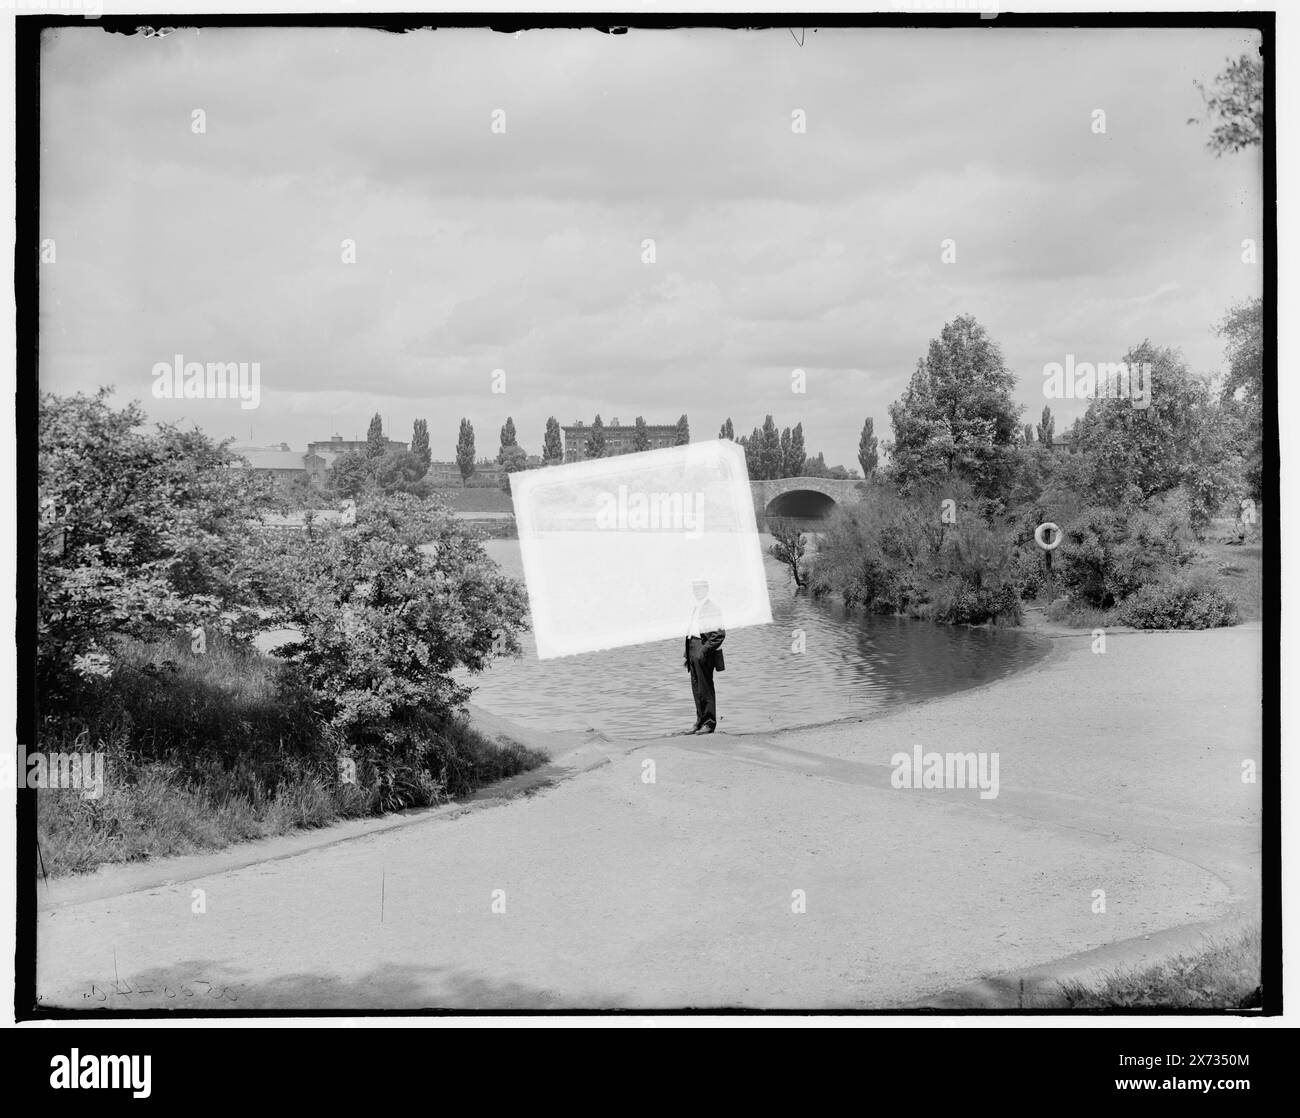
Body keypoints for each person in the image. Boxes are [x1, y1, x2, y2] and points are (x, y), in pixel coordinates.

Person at [683, 579, 726, 734]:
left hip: (703, 650)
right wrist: (688, 654)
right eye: (695, 589)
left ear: (706, 590)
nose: (697, 592)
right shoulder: (696, 608)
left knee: (706, 687)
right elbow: (692, 631)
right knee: (696, 688)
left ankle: (709, 723)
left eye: (700, 589)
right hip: (693, 649)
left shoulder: (712, 608)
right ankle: (700, 721)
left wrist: (703, 651)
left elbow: (719, 634)